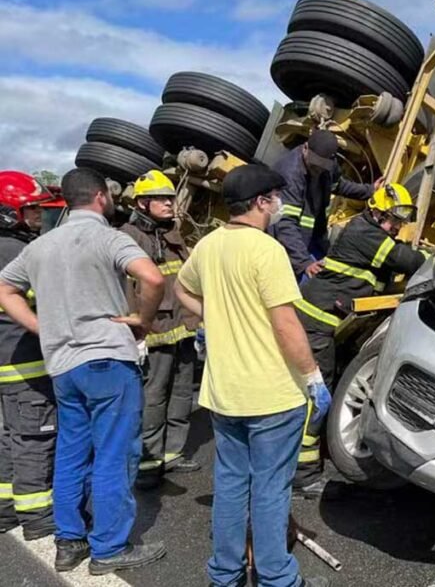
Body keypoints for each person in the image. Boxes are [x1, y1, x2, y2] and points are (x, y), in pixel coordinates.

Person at [0, 168, 167, 575]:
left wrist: (42, 327)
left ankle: (69, 541)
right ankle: (109, 547)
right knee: (113, 453)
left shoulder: (40, 246)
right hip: (108, 360)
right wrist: (142, 319)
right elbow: (152, 277)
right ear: (98, 197)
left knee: (72, 451)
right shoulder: (109, 237)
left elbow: (4, 289)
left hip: (63, 366)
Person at [174, 164, 330, 587]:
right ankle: (277, 576)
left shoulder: (207, 247)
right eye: (276, 197)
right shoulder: (267, 250)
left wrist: (212, 316)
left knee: (230, 486)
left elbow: (180, 290)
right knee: (270, 490)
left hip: (225, 394)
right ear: (261, 202)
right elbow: (286, 323)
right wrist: (313, 375)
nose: (280, 204)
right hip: (273, 396)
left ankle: (224, 575)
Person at [291, 182, 426, 496]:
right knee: (317, 394)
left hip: (320, 321)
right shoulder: (366, 235)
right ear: (376, 213)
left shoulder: (370, 231)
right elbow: (409, 261)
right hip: (315, 322)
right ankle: (303, 475)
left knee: (314, 391)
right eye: (393, 220)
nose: (397, 227)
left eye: (401, 222)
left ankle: (303, 463)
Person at [121, 171, 201, 490]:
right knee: (153, 396)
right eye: (162, 199)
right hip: (152, 330)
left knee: (182, 391)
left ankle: (173, 453)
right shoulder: (129, 237)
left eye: (171, 198)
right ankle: (148, 460)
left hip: (181, 327)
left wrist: (198, 323)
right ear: (143, 203)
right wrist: (134, 331)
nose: (170, 204)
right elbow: (127, 289)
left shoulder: (172, 233)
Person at [0, 171, 58, 541]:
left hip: (6, 361)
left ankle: (6, 509)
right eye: (32, 210)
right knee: (35, 437)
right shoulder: (15, 252)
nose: (38, 216)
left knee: (10, 436)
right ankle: (37, 516)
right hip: (23, 362)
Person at [271, 129, 377, 278]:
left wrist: (370, 190)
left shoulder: (327, 165)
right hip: (288, 246)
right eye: (314, 166)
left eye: (322, 168)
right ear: (305, 148)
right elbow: (286, 224)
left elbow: (338, 186)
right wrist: (304, 263)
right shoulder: (290, 175)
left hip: (313, 238)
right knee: (307, 285)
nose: (317, 171)